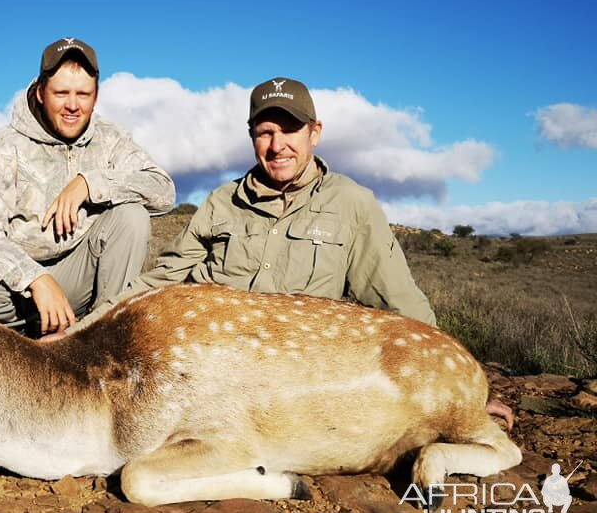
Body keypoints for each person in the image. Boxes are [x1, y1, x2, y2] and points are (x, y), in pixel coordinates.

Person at [81, 76, 436, 327]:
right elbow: (159, 281)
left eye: (289, 130)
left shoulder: (352, 203)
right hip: (215, 356)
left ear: (315, 133)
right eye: (265, 132)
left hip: (299, 370)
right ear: (252, 137)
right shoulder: (221, 203)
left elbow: (400, 301)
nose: (277, 145)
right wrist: (86, 329)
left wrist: (464, 380)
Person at [0, 37, 176, 336]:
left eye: (83, 94)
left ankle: (101, 338)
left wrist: (90, 183)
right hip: (17, 288)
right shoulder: (3, 147)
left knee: (132, 215)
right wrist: (34, 278)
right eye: (61, 93)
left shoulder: (112, 140)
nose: (73, 105)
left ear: (95, 97)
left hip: (79, 279)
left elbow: (163, 190)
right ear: (42, 93)